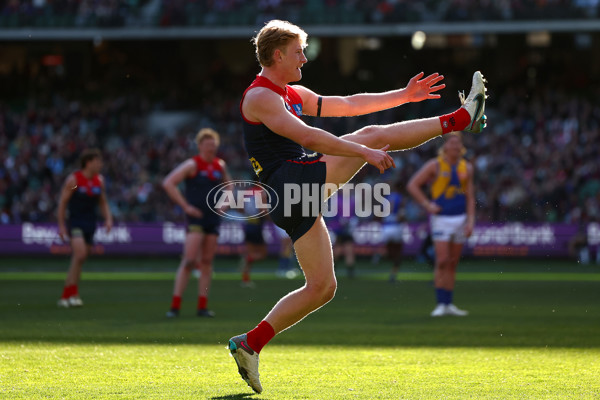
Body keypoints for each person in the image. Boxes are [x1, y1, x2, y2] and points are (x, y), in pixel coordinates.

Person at [228, 19, 487, 393]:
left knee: (322, 287)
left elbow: (347, 104)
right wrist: (362, 151)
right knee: (373, 136)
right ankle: (461, 118)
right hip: (288, 183)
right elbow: (307, 135)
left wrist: (404, 95)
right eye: (299, 51)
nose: (304, 57)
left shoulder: (288, 92)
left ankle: (249, 343)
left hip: (291, 193)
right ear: (277, 54)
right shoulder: (261, 96)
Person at [163, 128, 231, 318]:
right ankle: (175, 306)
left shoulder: (220, 165)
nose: (211, 148)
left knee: (207, 262)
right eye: (208, 145)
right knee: (189, 261)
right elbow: (169, 182)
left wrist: (224, 206)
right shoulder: (193, 164)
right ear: (200, 145)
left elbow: (230, 186)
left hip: (212, 218)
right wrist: (186, 207)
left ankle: (202, 306)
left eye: (214, 145)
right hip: (196, 218)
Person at [407, 133, 475, 317]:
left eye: (458, 143)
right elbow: (413, 185)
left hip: (460, 218)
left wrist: (470, 220)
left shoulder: (466, 167)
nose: (455, 146)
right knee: (442, 260)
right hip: (441, 218)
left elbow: (470, 196)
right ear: (445, 147)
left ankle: (448, 303)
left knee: (453, 263)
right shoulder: (435, 165)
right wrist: (428, 205)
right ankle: (440, 303)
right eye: (452, 143)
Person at [57, 148, 112, 308]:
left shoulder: (99, 181)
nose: (100, 164)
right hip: (76, 222)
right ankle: (69, 294)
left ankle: (70, 293)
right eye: (97, 161)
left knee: (79, 260)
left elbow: (102, 201)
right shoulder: (74, 181)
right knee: (80, 255)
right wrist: (61, 225)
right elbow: (63, 203)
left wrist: (108, 218)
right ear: (88, 163)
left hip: (90, 223)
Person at [381, 181, 406, 283]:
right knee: (398, 253)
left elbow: (380, 214)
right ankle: (393, 273)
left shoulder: (385, 199)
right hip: (395, 226)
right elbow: (401, 214)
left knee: (389, 251)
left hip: (386, 227)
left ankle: (380, 257)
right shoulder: (401, 198)